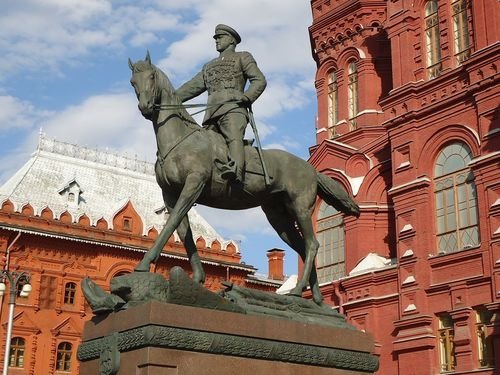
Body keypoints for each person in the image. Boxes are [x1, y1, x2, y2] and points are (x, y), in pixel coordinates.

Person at [176, 24, 267, 184]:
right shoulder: (209, 66)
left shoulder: (243, 57)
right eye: (216, 38)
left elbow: (259, 80)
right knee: (204, 146)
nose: (217, 41)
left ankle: (236, 171)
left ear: (231, 40)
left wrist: (247, 96)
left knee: (233, 138)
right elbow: (192, 87)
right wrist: (170, 98)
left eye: (220, 37)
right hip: (211, 114)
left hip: (233, 109)